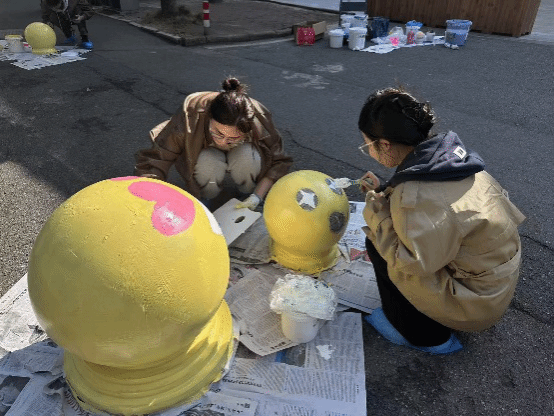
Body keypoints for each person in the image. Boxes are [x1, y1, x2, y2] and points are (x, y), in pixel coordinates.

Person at [357, 87, 525, 355]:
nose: (370, 152)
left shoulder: (415, 195)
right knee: (389, 234)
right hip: (493, 287)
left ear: (385, 144)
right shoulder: (450, 158)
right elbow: (440, 207)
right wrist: (386, 191)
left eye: (368, 146)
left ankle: (427, 336)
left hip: (475, 305)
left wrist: (377, 211)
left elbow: (411, 262)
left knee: (378, 243)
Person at [134, 77, 293, 211]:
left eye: (233, 138)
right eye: (218, 133)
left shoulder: (259, 116)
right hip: (205, 153)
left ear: (248, 130)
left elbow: (279, 162)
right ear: (209, 117)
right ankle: (206, 196)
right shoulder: (191, 113)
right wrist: (149, 196)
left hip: (243, 152)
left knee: (247, 157)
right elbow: (157, 158)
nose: (223, 142)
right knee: (208, 162)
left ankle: (247, 192)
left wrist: (257, 196)